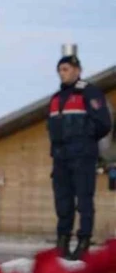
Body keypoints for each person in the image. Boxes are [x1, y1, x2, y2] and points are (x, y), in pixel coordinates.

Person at [48, 52, 111, 260]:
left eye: (66, 69)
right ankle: (62, 242)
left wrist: (83, 140)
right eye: (60, 70)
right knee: (63, 202)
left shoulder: (90, 93)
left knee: (84, 201)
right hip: (60, 158)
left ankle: (83, 243)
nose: (62, 74)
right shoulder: (56, 99)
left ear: (77, 70)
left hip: (82, 156)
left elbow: (103, 123)